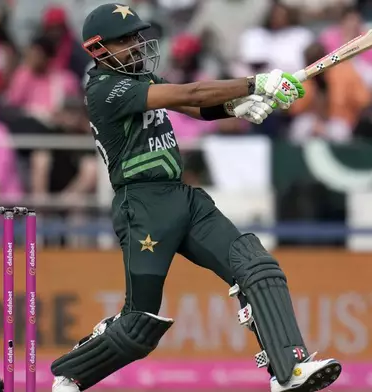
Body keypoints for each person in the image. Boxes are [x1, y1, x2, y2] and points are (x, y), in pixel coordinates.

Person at [50, 4, 342, 392]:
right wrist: (255, 83)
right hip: (142, 207)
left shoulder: (141, 77)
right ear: (99, 50)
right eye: (125, 41)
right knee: (140, 324)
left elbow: (195, 107)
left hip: (182, 197)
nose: (137, 46)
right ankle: (73, 374)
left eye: (137, 37)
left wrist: (240, 107)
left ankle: (289, 369)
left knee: (256, 265)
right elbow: (190, 91)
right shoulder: (105, 89)